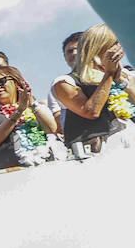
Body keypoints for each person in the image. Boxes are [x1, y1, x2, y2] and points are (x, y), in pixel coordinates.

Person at [51, 23, 133, 153]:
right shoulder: (65, 82)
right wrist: (109, 75)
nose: (118, 48)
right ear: (99, 47)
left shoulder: (127, 74)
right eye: (114, 43)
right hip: (101, 154)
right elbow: (91, 111)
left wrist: (121, 80)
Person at [0, 65, 62, 168]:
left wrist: (31, 103)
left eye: (1, 81)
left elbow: (52, 129)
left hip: (45, 170)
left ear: (17, 82)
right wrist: (19, 111)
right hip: (8, 178)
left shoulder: (37, 108)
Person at [48, 32, 84, 129]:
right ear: (65, 58)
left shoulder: (115, 72)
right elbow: (58, 118)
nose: (74, 53)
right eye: (70, 51)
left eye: (78, 49)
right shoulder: (62, 82)